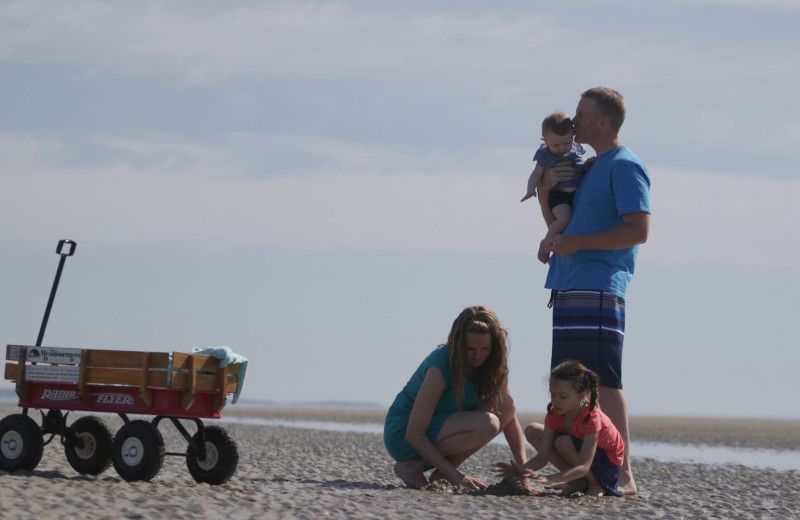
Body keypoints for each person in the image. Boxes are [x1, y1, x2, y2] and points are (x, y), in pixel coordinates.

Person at [536, 87, 651, 495]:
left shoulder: (624, 164)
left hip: (600, 286)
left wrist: (579, 244)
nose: (572, 122)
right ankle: (586, 476)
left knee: (604, 380)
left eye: (581, 115)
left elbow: (638, 231)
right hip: (568, 284)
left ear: (603, 122)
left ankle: (623, 474)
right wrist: (547, 200)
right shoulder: (587, 166)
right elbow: (565, 220)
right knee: (570, 385)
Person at [383, 305, 529, 491]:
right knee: (487, 424)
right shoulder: (441, 363)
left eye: (484, 348)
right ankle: (412, 467)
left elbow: (509, 417)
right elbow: (414, 433)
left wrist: (524, 475)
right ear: (458, 344)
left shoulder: (493, 363)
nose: (477, 356)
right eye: (470, 349)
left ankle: (441, 474)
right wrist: (458, 477)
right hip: (404, 435)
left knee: (506, 404)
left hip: (444, 431)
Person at [493, 360, 625, 497]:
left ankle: (594, 485)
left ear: (582, 395)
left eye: (563, 397)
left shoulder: (592, 418)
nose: (555, 401)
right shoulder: (554, 414)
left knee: (564, 443)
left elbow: (584, 466)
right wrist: (521, 470)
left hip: (607, 464)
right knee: (533, 431)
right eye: (553, 395)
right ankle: (577, 481)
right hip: (579, 452)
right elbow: (542, 458)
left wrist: (550, 478)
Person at [520, 111, 588, 264]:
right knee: (564, 219)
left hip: (574, 194)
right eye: (555, 145)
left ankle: (555, 257)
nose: (561, 148)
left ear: (572, 137)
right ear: (545, 140)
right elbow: (536, 174)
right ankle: (546, 244)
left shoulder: (575, 149)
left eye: (566, 143)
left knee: (571, 227)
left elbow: (581, 162)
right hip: (559, 195)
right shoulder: (546, 155)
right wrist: (530, 190)